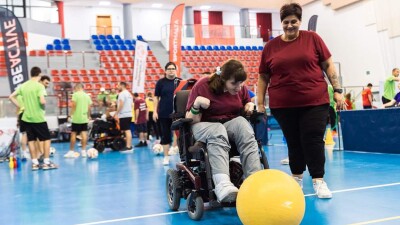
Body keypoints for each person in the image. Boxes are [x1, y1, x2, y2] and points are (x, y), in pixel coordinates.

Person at [256, 3, 344, 199]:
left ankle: (318, 180)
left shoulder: (312, 39)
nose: (290, 26)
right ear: (281, 23)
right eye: (286, 22)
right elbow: (263, 77)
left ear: (300, 21)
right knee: (294, 142)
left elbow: (328, 64)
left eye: (293, 22)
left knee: (312, 139)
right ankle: (296, 178)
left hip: (315, 100)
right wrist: (260, 103)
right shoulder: (271, 47)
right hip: (283, 104)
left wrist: (337, 90)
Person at [185, 59, 262, 203]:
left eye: (241, 83)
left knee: (243, 125)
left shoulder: (240, 89)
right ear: (223, 79)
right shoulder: (203, 85)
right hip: (202, 125)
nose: (239, 88)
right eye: (234, 83)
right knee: (217, 129)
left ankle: (254, 180)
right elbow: (191, 119)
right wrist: (196, 104)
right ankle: (222, 184)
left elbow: (247, 100)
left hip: (228, 124)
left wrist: (250, 104)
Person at [9, 67, 57, 170]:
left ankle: (34, 163)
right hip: (38, 118)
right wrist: (44, 103)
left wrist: (21, 106)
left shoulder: (24, 85)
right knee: (47, 139)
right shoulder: (39, 86)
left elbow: (11, 96)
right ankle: (46, 162)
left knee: (31, 140)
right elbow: (42, 101)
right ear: (39, 75)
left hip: (26, 118)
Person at [153, 62, 180, 165]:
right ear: (165, 70)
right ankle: (166, 157)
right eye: (169, 69)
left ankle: (180, 155)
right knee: (165, 135)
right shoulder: (160, 83)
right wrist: (155, 111)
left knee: (180, 135)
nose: (171, 70)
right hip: (164, 113)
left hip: (178, 113)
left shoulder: (180, 82)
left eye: (173, 68)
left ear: (175, 70)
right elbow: (156, 98)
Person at [64, 84, 92, 158]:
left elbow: (74, 106)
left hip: (76, 118)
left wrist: (70, 115)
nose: (74, 90)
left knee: (73, 134)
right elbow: (89, 108)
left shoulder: (75, 95)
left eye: (75, 88)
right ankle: (83, 151)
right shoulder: (87, 96)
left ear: (77, 88)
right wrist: (88, 116)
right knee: (84, 134)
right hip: (84, 118)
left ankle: (71, 151)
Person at [115, 82, 133, 150]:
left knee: (127, 130)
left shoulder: (122, 94)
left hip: (124, 114)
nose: (117, 86)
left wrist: (117, 113)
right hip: (128, 113)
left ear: (122, 86)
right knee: (127, 130)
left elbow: (121, 104)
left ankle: (128, 146)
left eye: (118, 85)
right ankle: (129, 145)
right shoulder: (129, 94)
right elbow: (131, 104)